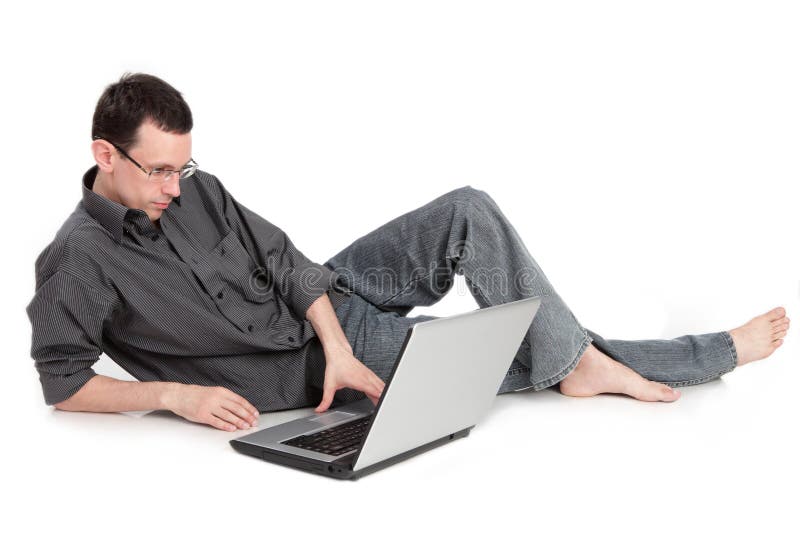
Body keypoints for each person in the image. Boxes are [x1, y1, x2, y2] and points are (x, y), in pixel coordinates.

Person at [26, 72, 791, 433]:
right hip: (310, 364)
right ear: (106, 153)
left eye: (180, 166)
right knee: (503, 347)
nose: (173, 185)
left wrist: (333, 331)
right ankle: (697, 354)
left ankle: (576, 363)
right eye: (158, 170)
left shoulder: (198, 188)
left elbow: (290, 262)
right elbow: (62, 383)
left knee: (466, 209)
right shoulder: (78, 260)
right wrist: (171, 395)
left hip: (333, 304)